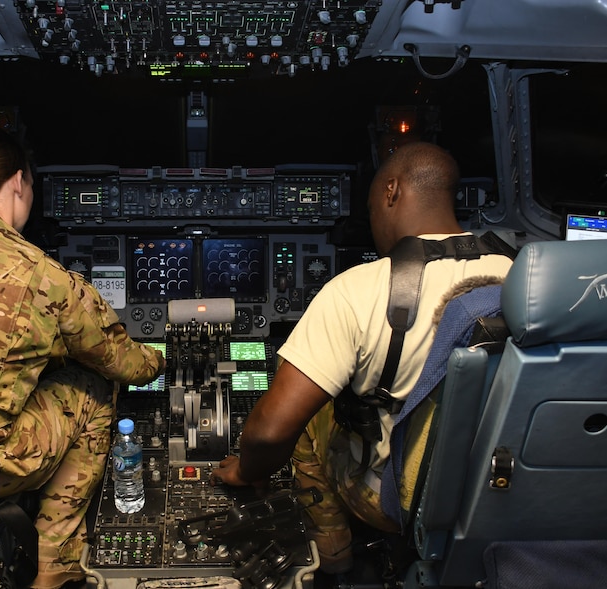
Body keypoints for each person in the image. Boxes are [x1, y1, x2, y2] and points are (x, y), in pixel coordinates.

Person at [209, 142, 514, 573]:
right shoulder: (523, 273)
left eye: (371, 209)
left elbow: (268, 432)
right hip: (509, 491)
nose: (373, 224)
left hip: (400, 500)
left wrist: (245, 471)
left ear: (391, 192)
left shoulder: (359, 289)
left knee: (301, 418)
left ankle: (331, 555)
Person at [0, 127, 165, 588]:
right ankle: (53, 564)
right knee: (95, 387)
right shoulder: (43, 274)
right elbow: (130, 366)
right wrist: (164, 358)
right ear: (19, 182)